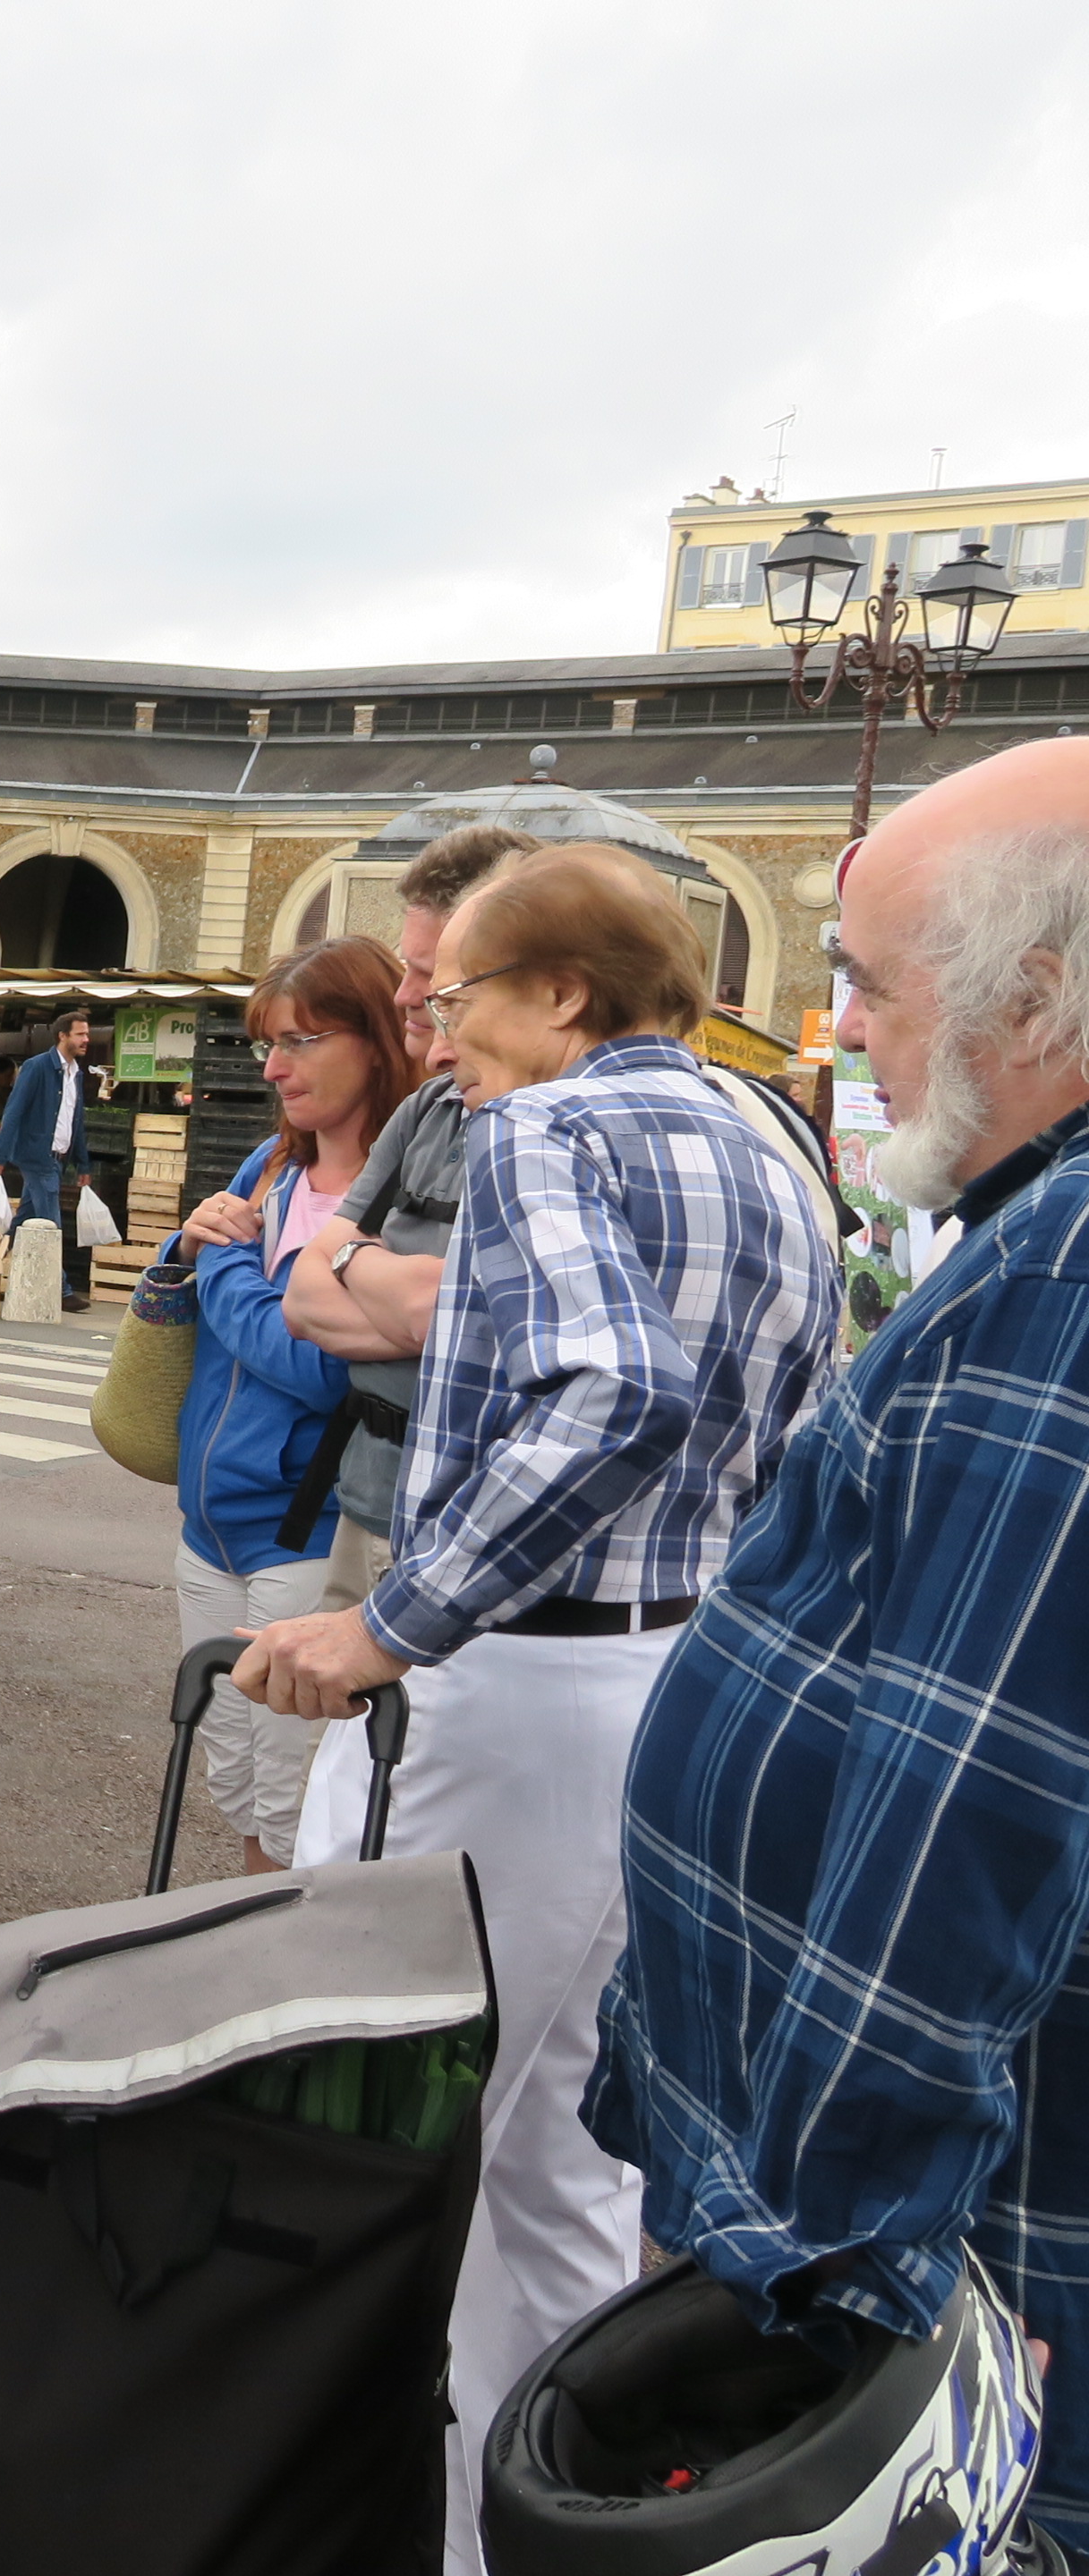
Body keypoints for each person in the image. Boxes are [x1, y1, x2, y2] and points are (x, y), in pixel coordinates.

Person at [236, 847, 839, 2575]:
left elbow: (617, 1389)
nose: (435, 1039)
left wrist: (395, 1622)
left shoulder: (545, 1129)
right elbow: (796, 1433)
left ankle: (380, 2526)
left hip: (513, 1683)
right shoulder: (770, 1135)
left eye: (456, 999)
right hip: (667, 1673)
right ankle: (534, 2533)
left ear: (564, 991)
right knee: (564, 2164)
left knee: (386, 2136)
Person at [586, 741, 1089, 2554]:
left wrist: (830, 2277)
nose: (846, 1026)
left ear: (1035, 995)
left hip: (940, 2234)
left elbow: (977, 1794)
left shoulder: (1072, 1271)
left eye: (872, 981)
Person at [165, 936, 416, 1873]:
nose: (274, 1067)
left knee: (295, 1800)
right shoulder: (270, 1167)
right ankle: (255, 1935)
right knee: (233, 1779)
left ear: (378, 1042)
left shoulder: (402, 1204)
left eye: (302, 1040)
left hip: (309, 1536)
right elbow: (190, 1309)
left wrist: (224, 1262)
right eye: (269, 1043)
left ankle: (280, 1951)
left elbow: (320, 1369)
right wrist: (181, 1250)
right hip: (207, 1527)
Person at [281, 826, 541, 1613]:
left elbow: (446, 1309)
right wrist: (409, 1293)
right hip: (368, 1503)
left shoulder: (554, 1132)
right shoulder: (430, 1109)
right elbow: (303, 1299)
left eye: (429, 978)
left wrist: (356, 1263)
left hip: (477, 1533)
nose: (405, 996)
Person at [0, 1007, 100, 1309]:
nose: (86, 1040)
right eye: (80, 1034)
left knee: (23, 1220)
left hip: (58, 1159)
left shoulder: (75, 1073)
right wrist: (0, 1154)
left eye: (87, 1034)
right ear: (62, 1036)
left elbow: (75, 1121)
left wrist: (82, 1163)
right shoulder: (37, 1067)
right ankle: (62, 1291)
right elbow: (14, 1111)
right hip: (37, 1157)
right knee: (51, 1223)